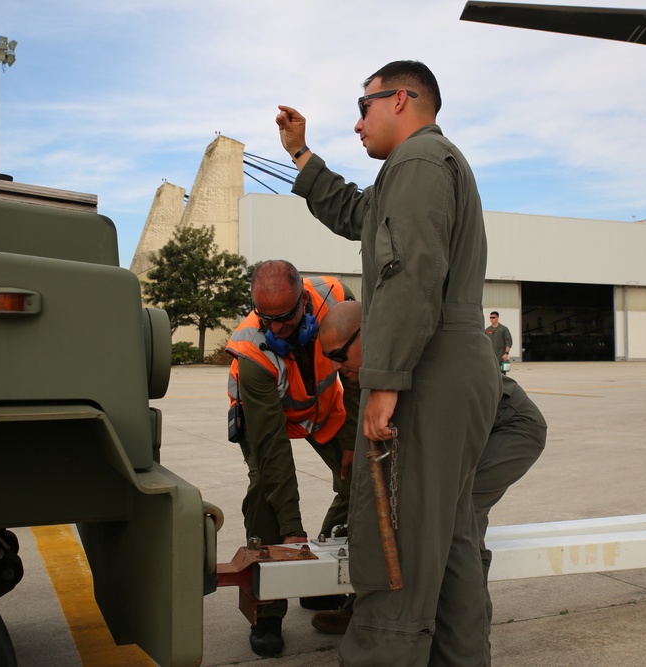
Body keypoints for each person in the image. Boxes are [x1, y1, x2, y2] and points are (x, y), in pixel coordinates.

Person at [277, 60, 500, 666]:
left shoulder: (421, 163)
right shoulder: (411, 171)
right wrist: (301, 156)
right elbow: (356, 214)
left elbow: (411, 276)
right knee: (446, 542)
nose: (356, 122)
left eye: (363, 105)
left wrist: (383, 381)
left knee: (395, 538)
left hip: (429, 368)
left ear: (401, 99)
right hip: (445, 365)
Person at [312, 301, 547, 655]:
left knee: (456, 515)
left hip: (510, 431)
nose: (335, 366)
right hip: (470, 434)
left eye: (340, 355)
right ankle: (370, 614)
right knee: (424, 514)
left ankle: (464, 633)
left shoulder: (412, 356)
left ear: (368, 335)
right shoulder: (370, 371)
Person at [225, 259, 357, 656]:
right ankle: (268, 608)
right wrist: (291, 532)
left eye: (284, 318)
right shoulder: (251, 351)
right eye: (266, 319)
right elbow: (274, 454)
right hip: (265, 418)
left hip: (322, 406)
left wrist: (353, 442)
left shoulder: (336, 298)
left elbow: (359, 368)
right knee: (267, 492)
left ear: (304, 301)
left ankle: (324, 582)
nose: (275, 329)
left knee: (367, 473)